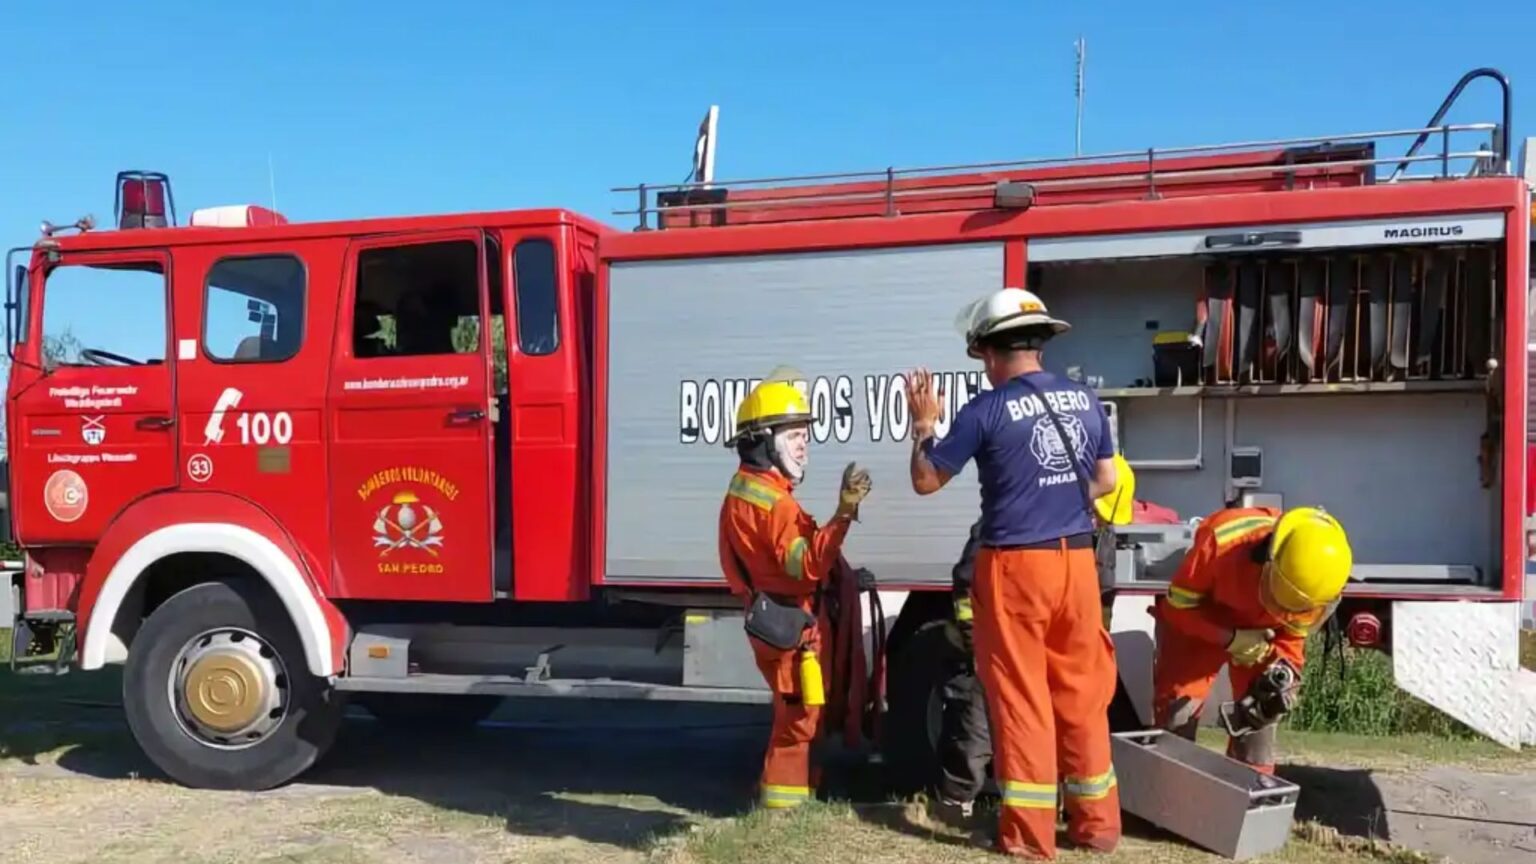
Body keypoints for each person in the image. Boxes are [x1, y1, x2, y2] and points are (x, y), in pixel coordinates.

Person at [906, 287, 1121, 859]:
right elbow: (1106, 481)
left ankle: (1029, 839)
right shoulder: (1085, 399)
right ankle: (1097, 828)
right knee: (1081, 695)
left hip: (1015, 567)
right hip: (1077, 561)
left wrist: (924, 426)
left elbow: (927, 481)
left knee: (1023, 700)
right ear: (1040, 343)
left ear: (987, 352)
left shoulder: (987, 410)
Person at [934, 454, 1136, 830]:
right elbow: (966, 584)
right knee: (975, 719)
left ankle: (1054, 807)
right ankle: (955, 800)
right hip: (987, 636)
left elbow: (1099, 596)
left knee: (1054, 722)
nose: (1099, 523)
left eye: (1104, 518)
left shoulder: (1099, 536)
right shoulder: (1010, 519)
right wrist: (974, 640)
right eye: (1097, 513)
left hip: (1046, 643)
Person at [717, 370, 873, 811]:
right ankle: (784, 814)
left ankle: (800, 794)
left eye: (806, 435)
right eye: (795, 435)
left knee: (803, 716)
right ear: (763, 442)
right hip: (792, 627)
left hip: (785, 621)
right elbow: (805, 566)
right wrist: (843, 514)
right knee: (798, 721)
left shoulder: (749, 493)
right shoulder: (774, 504)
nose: (804, 444)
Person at [1151, 505, 1352, 774]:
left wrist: (1287, 674)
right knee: (1179, 715)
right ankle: (1169, 797)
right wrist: (1230, 638)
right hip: (1201, 618)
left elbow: (1293, 636)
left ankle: (1250, 796)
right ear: (1269, 560)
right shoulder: (1220, 541)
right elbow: (1176, 610)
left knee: (1262, 715)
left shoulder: (1320, 581)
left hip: (1266, 632)